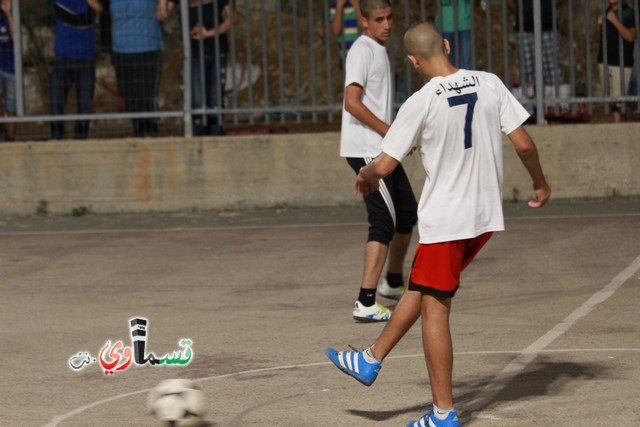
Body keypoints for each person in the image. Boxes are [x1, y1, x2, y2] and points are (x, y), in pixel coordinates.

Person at [326, 21, 551, 427]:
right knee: (424, 285)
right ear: (446, 45)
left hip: (447, 219)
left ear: (413, 61)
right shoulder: (489, 81)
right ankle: (370, 359)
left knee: (435, 309)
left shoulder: (420, 101)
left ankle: (443, 414)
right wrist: (540, 182)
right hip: (482, 218)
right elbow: (523, 143)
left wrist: (368, 175)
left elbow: (387, 161)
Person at [340, 0, 418, 322]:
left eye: (389, 18)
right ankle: (366, 302)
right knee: (383, 223)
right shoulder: (361, 49)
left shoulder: (377, 48)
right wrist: (392, 132)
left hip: (380, 146)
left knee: (407, 213)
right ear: (364, 22)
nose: (387, 25)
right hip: (367, 149)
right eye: (379, 19)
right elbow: (351, 103)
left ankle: (393, 281)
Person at [161, 0, 235, 136]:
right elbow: (163, 13)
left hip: (217, 49)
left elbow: (231, 20)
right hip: (194, 52)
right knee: (197, 98)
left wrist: (209, 33)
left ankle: (215, 133)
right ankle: (200, 133)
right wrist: (190, 31)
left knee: (215, 96)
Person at [110, 0, 168, 137]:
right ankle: (139, 131)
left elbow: (163, 12)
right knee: (129, 96)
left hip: (147, 47)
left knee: (145, 96)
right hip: (120, 48)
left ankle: (149, 132)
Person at [50, 0, 103, 140]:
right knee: (56, 104)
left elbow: (99, 8)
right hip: (63, 58)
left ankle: (81, 139)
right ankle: (57, 139)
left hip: (86, 58)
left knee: (84, 105)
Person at [507, 0, 564, 108]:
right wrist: (520, 12)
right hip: (524, 27)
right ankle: (529, 111)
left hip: (548, 25)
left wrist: (549, 6)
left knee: (553, 72)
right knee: (526, 74)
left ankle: (553, 110)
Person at [597, 0, 636, 122]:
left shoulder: (629, 12)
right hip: (604, 62)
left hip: (621, 64)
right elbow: (599, 39)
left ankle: (622, 132)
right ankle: (624, 129)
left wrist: (614, 20)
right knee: (613, 102)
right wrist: (599, 26)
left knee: (620, 103)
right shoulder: (606, 11)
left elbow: (630, 37)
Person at [431, 0, 473, 70]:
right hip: (445, 25)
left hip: (463, 24)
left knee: (466, 60)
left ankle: (464, 79)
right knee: (448, 60)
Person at [329, 0, 361, 67]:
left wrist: (356, 5)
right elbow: (336, 31)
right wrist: (339, 7)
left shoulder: (363, 3)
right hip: (346, 57)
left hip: (363, 55)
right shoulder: (335, 6)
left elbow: (365, 27)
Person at [0, 0, 15, 141]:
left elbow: (14, 36)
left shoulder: (10, 19)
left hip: (10, 69)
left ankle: (10, 137)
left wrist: (8, 14)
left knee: (11, 105)